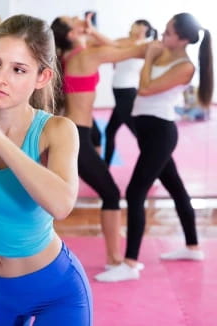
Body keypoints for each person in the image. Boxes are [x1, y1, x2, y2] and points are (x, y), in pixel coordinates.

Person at [0, 14, 92, 325]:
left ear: (42, 77)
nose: (0, 77)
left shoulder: (56, 129)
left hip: (57, 293)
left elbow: (61, 204)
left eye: (18, 69)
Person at [95, 12, 212, 282]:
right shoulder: (161, 53)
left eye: (169, 32)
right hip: (148, 132)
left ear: (183, 39)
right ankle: (193, 247)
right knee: (176, 187)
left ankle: (130, 263)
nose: (162, 36)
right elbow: (120, 50)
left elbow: (146, 89)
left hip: (161, 133)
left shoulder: (185, 67)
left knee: (136, 192)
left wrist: (148, 57)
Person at [51, 15, 148, 271]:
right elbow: (133, 50)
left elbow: (118, 47)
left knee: (107, 194)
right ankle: (114, 259)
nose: (79, 19)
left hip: (74, 132)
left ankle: (113, 257)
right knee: (111, 194)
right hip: (76, 137)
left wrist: (92, 32)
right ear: (72, 35)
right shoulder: (85, 56)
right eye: (74, 21)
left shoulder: (74, 56)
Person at [105, 19, 157, 165]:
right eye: (136, 25)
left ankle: (156, 167)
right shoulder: (125, 41)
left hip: (127, 95)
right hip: (121, 95)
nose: (137, 28)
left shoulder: (139, 45)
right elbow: (110, 48)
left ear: (145, 31)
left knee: (139, 135)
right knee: (110, 131)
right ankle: (105, 168)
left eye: (141, 26)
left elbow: (111, 44)